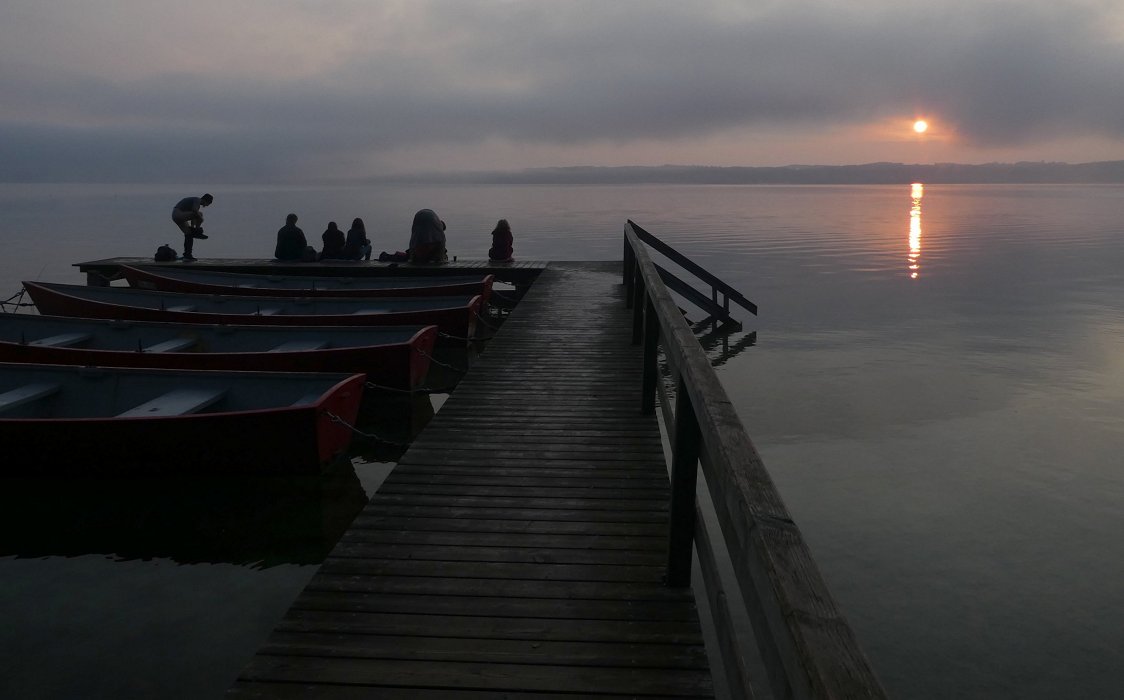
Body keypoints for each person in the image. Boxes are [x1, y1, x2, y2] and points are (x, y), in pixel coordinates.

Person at [171, 193, 213, 261]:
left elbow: (193, 216)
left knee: (188, 234)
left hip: (176, 215)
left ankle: (187, 256)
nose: (207, 206)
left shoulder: (195, 202)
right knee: (200, 214)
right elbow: (194, 211)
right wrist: (201, 220)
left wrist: (192, 227)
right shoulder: (197, 200)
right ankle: (197, 232)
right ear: (206, 201)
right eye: (208, 204)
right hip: (179, 214)